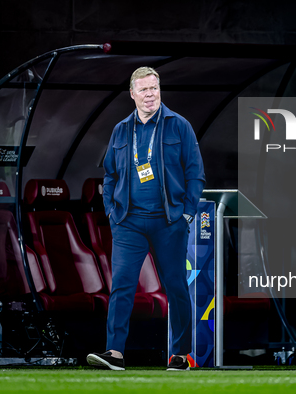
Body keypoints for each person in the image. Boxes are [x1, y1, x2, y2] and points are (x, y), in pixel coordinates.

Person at [87, 66, 205, 371]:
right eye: (144, 89)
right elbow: (110, 174)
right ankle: (114, 353)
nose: (150, 94)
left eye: (154, 88)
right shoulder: (121, 131)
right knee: (122, 286)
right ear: (132, 94)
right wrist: (112, 214)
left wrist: (187, 214)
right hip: (128, 222)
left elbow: (195, 172)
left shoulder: (179, 126)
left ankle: (181, 355)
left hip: (169, 222)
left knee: (176, 285)